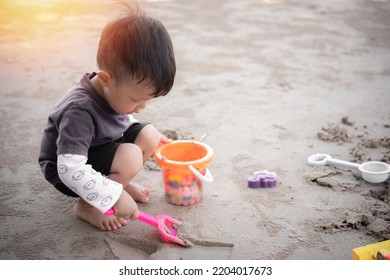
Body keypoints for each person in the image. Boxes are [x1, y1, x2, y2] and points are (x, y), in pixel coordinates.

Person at [38, 3, 176, 231]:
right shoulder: (79, 110)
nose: (143, 106)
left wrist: (138, 125)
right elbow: (69, 169)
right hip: (68, 168)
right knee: (130, 155)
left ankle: (117, 182)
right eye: (135, 99)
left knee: (149, 135)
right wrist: (112, 197)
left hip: (98, 147)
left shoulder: (113, 91)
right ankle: (88, 205)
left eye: (149, 99)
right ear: (105, 79)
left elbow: (115, 117)